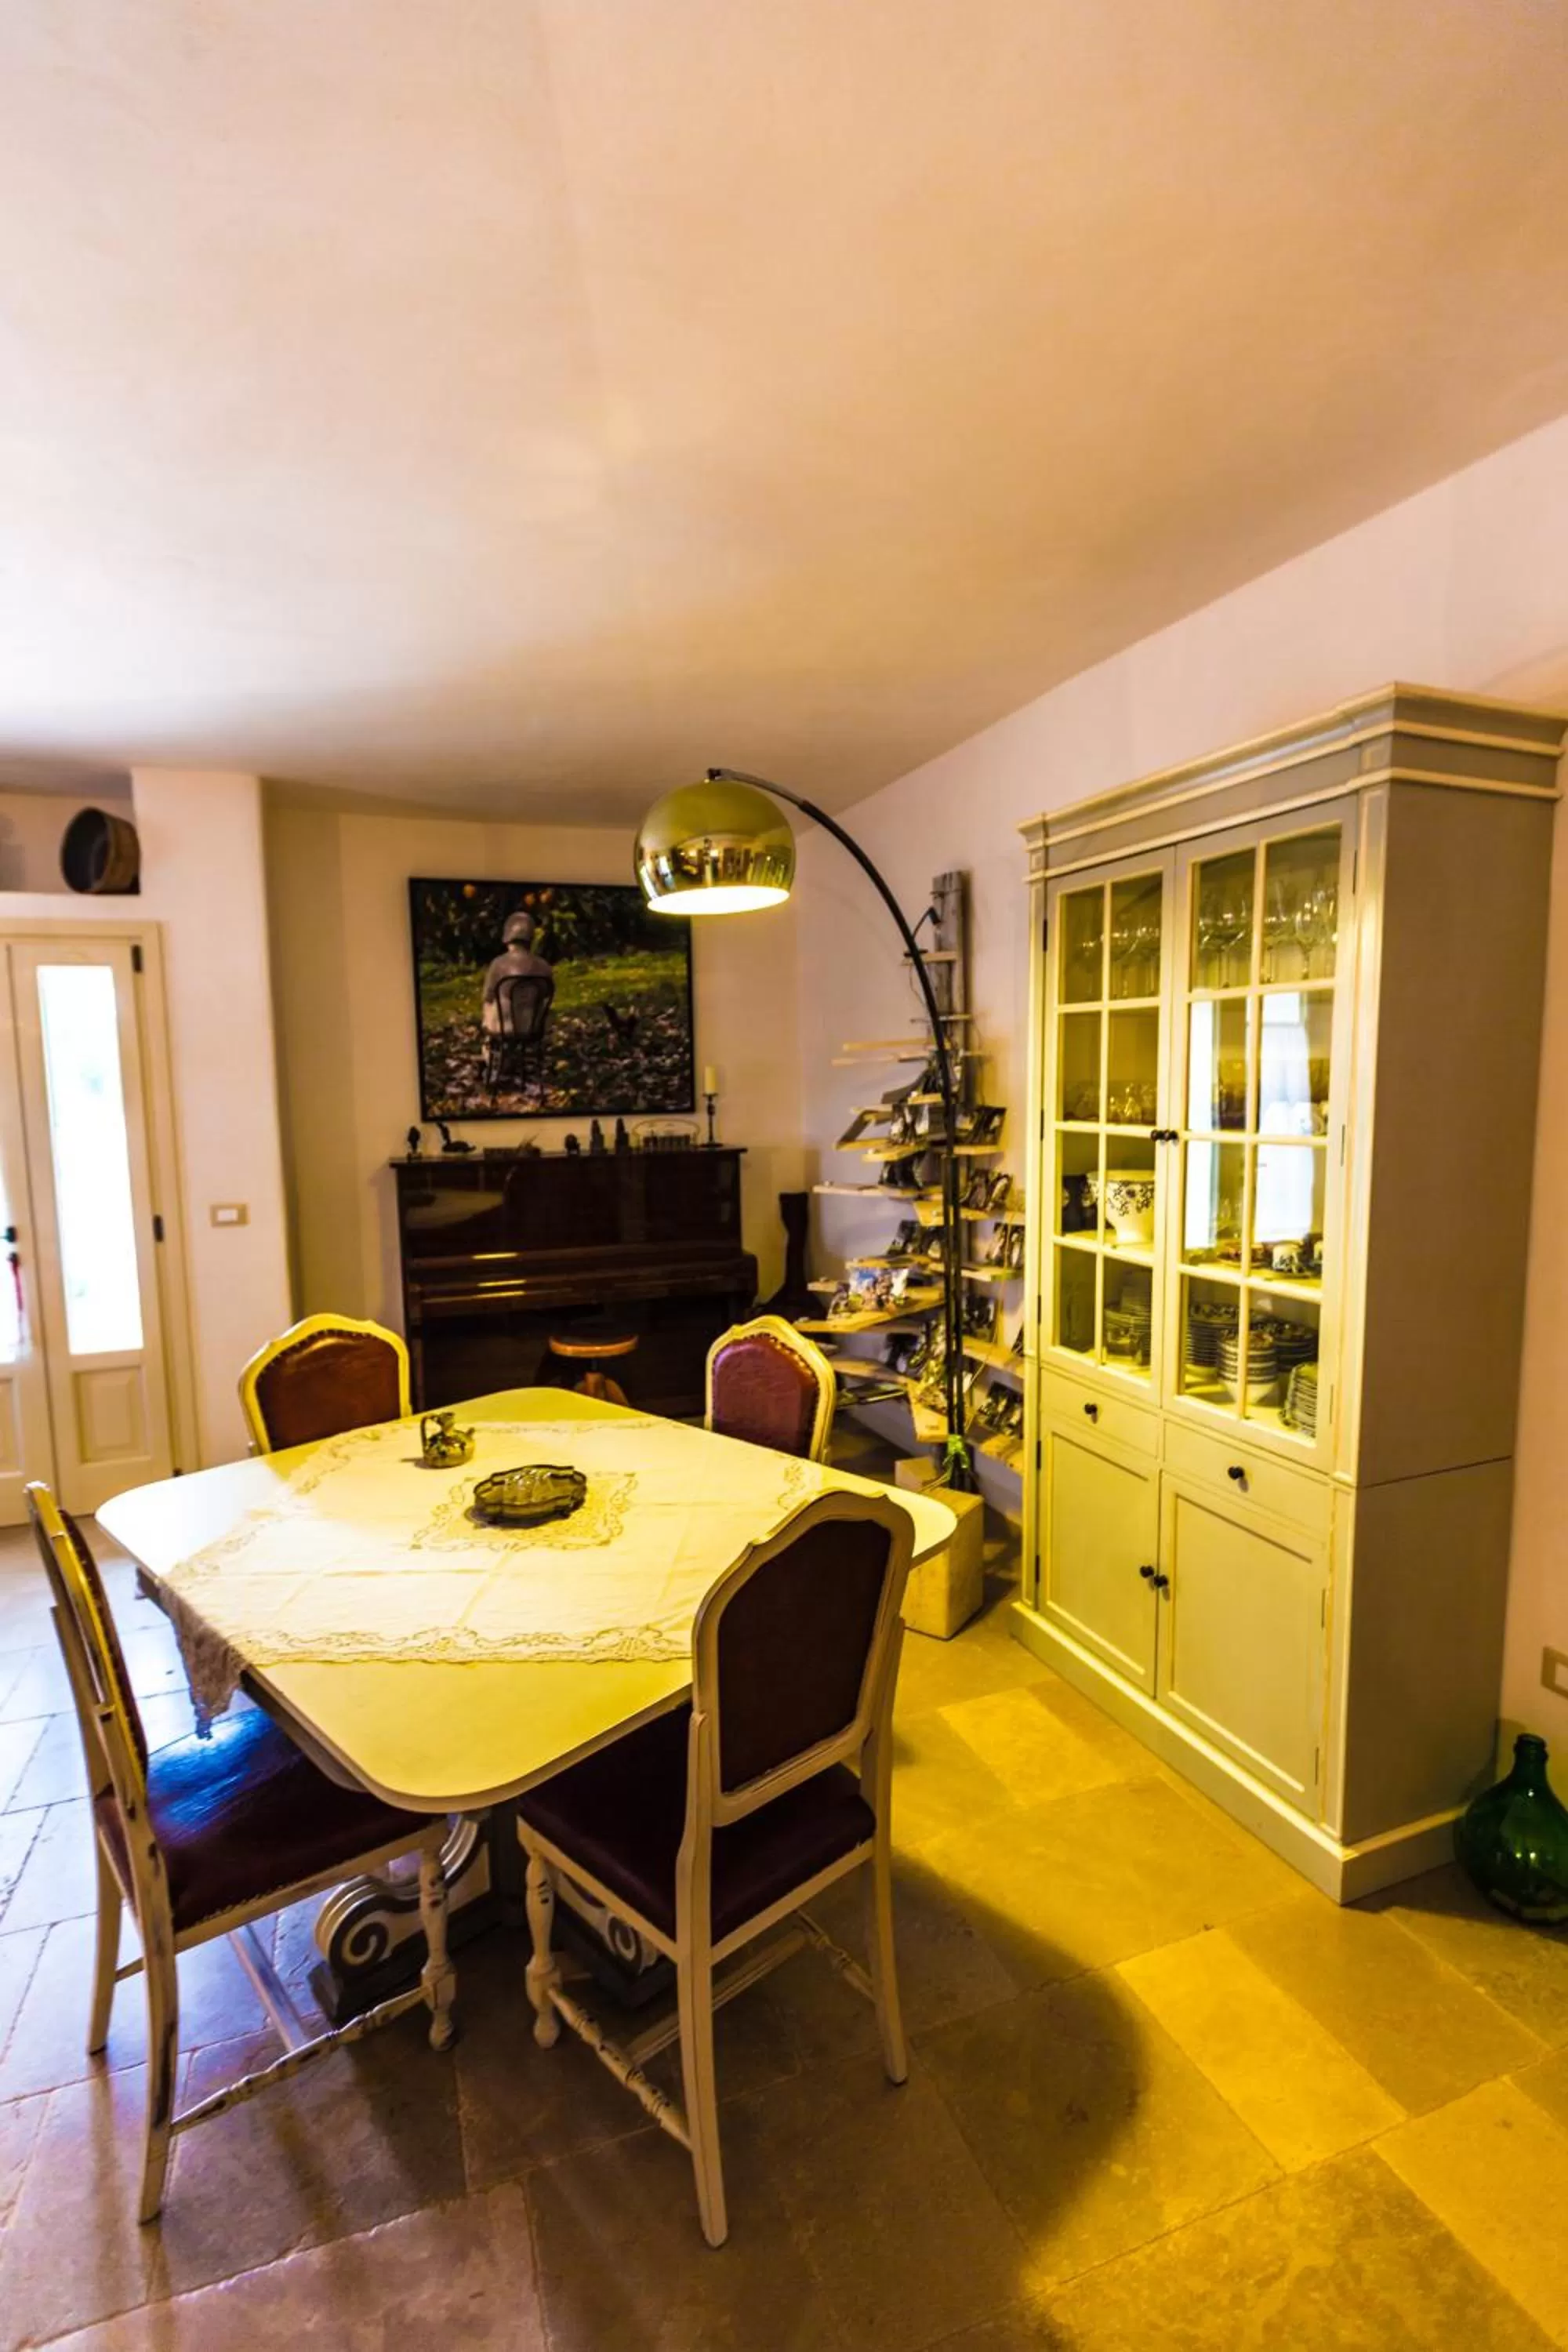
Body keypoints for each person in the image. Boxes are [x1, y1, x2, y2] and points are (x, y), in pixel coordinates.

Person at [481, 911, 554, 1036]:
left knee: (489, 1003)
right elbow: (547, 994)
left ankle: (489, 1042)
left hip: (504, 1028)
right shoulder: (544, 966)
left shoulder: (498, 964)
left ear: (507, 937)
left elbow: (488, 996)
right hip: (533, 1028)